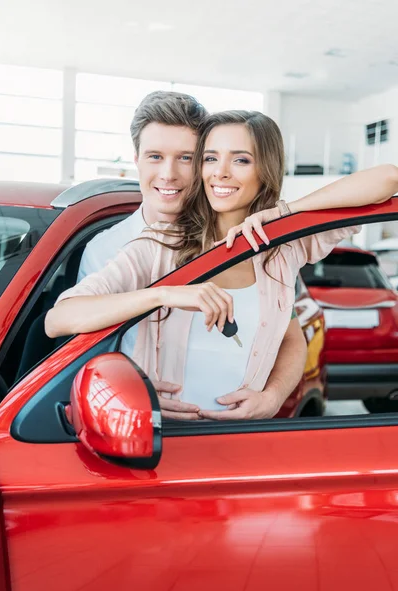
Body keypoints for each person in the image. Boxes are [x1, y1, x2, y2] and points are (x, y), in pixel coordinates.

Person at [45, 111, 398, 420]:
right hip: (164, 438)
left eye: (241, 160)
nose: (221, 173)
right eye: (210, 158)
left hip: (239, 438)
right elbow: (59, 320)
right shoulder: (160, 244)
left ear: (266, 169)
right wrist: (162, 294)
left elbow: (388, 178)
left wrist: (272, 397)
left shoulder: (283, 248)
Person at [73, 93, 307, 420]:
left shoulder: (262, 242)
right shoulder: (106, 248)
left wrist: (273, 397)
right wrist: (132, 391)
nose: (169, 174)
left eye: (185, 158)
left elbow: (290, 336)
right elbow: (82, 349)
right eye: (155, 156)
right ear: (136, 159)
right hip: (148, 425)